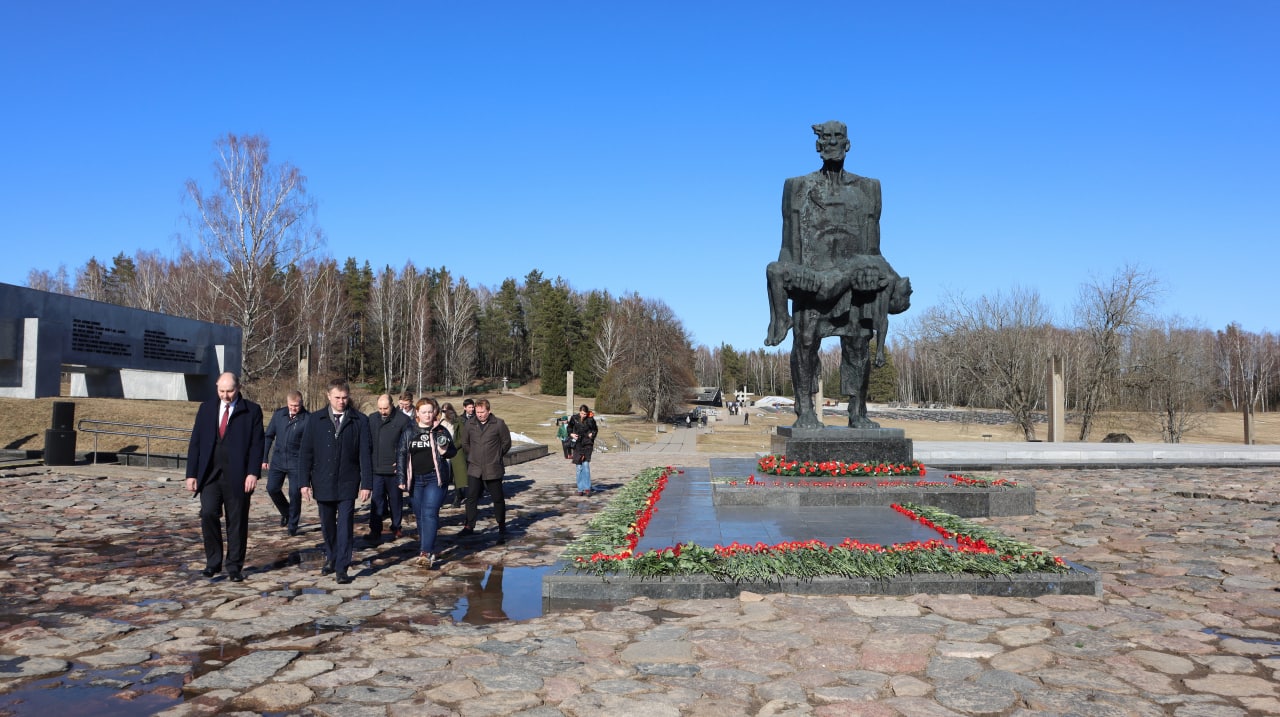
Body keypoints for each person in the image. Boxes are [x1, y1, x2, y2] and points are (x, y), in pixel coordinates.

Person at [765, 120, 912, 429]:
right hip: (812, 280)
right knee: (805, 342)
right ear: (818, 145)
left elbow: (874, 247)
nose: (832, 143)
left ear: (848, 144)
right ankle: (805, 410)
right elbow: (788, 243)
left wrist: (887, 278)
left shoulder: (869, 188)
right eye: (826, 138)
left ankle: (858, 412)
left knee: (858, 345)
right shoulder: (797, 186)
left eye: (838, 137)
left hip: (856, 283)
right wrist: (790, 281)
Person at [185, 372, 264, 582]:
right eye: (221, 391)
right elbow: (196, 442)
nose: (226, 395)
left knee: (236, 522)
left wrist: (253, 472)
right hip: (210, 474)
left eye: (230, 391)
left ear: (238, 388)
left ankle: (234, 566)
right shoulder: (206, 408)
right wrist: (191, 473)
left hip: (238, 476)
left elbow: (258, 445)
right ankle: (213, 562)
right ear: (216, 387)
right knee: (209, 513)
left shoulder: (252, 411)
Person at [298, 379, 373, 585]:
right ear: (328, 396)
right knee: (328, 524)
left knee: (345, 525)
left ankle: (342, 567)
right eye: (337, 397)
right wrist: (304, 482)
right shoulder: (315, 419)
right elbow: (306, 452)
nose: (341, 401)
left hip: (348, 481)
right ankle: (331, 557)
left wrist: (366, 483)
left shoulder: (360, 420)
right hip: (323, 480)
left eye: (344, 397)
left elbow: (365, 454)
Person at [397, 397, 456, 568]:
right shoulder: (409, 431)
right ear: (417, 413)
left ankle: (425, 552)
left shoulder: (440, 430)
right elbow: (401, 454)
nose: (428, 415)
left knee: (430, 512)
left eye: (430, 412)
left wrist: (444, 449)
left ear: (434, 413)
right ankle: (427, 547)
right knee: (420, 515)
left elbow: (452, 451)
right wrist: (401, 479)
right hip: (415, 480)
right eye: (424, 412)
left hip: (435, 478)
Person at [458, 398, 512, 538]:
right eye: (477, 412)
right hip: (475, 468)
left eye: (482, 412)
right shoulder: (470, 424)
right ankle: (469, 525)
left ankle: (501, 524)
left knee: (498, 498)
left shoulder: (498, 424)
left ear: (489, 411)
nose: (480, 414)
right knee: (471, 497)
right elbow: (465, 442)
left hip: (493, 467)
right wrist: (473, 454)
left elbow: (506, 442)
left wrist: (497, 455)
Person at [262, 390, 308, 536]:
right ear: (287, 403)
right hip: (278, 460)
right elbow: (268, 436)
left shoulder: (308, 419)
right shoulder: (279, 415)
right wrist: (264, 458)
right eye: (291, 405)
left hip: (297, 462)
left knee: (294, 493)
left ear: (301, 403)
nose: (294, 408)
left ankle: (292, 525)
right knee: (272, 488)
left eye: (297, 406)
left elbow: (311, 444)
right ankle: (286, 512)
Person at [367, 394, 410, 544]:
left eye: (385, 408)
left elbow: (407, 444)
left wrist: (401, 462)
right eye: (380, 408)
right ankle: (375, 530)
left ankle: (396, 526)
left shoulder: (403, 420)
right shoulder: (372, 419)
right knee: (376, 500)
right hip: (376, 468)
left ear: (392, 405)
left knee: (396, 500)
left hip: (394, 469)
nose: (383, 411)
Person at [441, 402, 469, 508]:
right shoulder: (440, 422)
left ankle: (457, 498)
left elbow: (463, 438)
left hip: (456, 452)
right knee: (445, 477)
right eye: (442, 411)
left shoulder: (458, 421)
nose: (444, 413)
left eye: (446, 411)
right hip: (444, 452)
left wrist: (453, 446)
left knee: (457, 477)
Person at [567, 405, 598, 495]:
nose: (583, 415)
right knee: (579, 467)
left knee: (586, 466)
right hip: (577, 444)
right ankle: (580, 489)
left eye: (585, 414)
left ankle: (587, 488)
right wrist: (571, 434)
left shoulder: (590, 419)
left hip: (587, 444)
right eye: (582, 413)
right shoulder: (574, 418)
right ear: (579, 412)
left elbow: (595, 429)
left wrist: (592, 434)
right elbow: (569, 428)